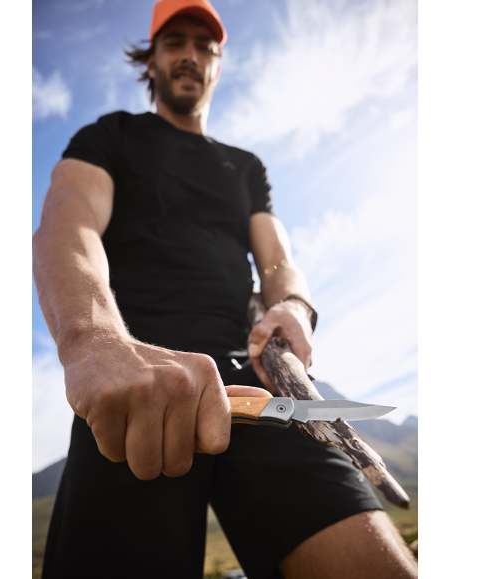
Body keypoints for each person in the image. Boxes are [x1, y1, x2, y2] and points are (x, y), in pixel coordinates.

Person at [32, 0, 418, 577]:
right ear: (153, 58)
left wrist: (293, 304)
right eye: (175, 41)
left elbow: (279, 258)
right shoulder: (109, 136)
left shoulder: (245, 168)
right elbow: (68, 220)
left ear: (217, 62)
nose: (190, 54)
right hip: (140, 378)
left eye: (204, 45)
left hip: (257, 386)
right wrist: (94, 342)